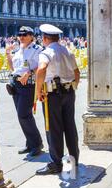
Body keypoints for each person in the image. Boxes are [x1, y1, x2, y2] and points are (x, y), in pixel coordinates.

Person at [35, 24, 80, 175]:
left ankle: (55, 163)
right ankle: (74, 158)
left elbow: (41, 69)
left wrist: (37, 91)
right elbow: (77, 72)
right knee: (69, 126)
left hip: (52, 95)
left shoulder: (46, 52)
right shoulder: (67, 50)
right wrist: (73, 86)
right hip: (69, 92)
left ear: (45, 38)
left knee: (53, 128)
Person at [6, 27, 44, 157]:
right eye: (19, 34)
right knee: (22, 115)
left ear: (32, 36)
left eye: (25, 34)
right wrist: (8, 55)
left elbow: (41, 66)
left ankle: (37, 144)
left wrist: (29, 73)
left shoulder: (37, 50)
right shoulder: (18, 50)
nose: (21, 37)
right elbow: (13, 68)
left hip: (28, 85)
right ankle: (30, 143)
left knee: (24, 114)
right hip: (16, 84)